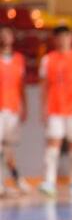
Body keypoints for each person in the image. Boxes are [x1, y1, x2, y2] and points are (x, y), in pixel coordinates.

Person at [38, 25, 72, 199]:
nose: (63, 40)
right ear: (55, 39)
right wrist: (43, 108)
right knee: (52, 144)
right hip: (55, 107)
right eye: (59, 37)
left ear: (71, 38)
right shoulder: (47, 60)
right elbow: (43, 87)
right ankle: (49, 182)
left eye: (66, 36)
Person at [0, 26, 30, 196]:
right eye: (2, 35)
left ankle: (13, 179)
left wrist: (24, 107)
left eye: (8, 34)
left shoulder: (19, 59)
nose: (5, 37)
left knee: (7, 149)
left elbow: (21, 86)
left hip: (12, 109)